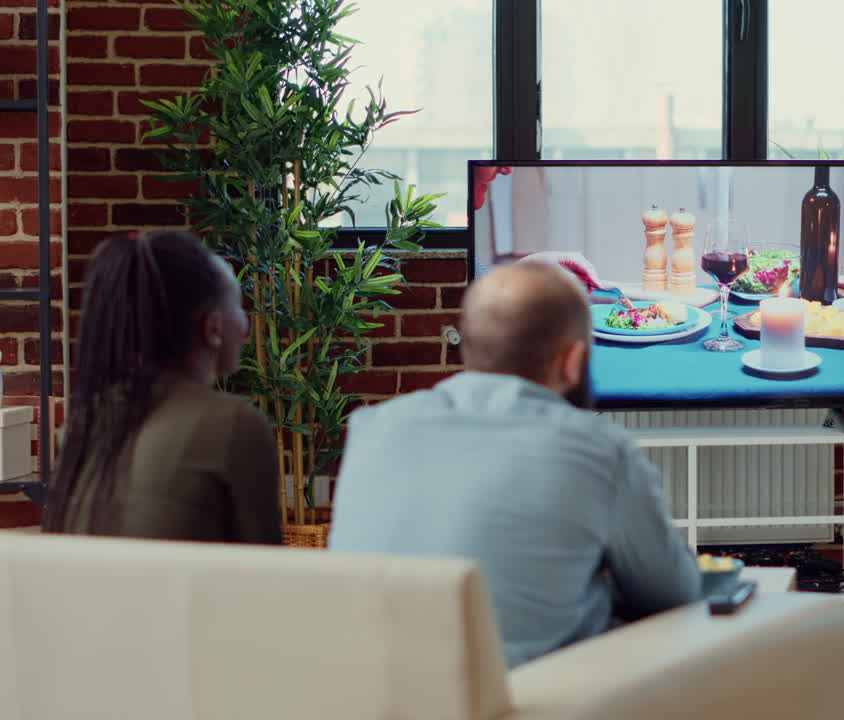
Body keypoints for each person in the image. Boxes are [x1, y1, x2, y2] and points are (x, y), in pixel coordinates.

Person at [328, 261, 701, 668]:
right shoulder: (597, 449)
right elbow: (672, 593)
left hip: (375, 692)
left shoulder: (371, 428)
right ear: (573, 360)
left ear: (467, 346)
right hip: (537, 697)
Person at [42, 230, 281, 543]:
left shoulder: (80, 425)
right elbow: (265, 577)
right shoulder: (235, 425)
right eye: (239, 305)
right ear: (213, 328)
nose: (246, 322)